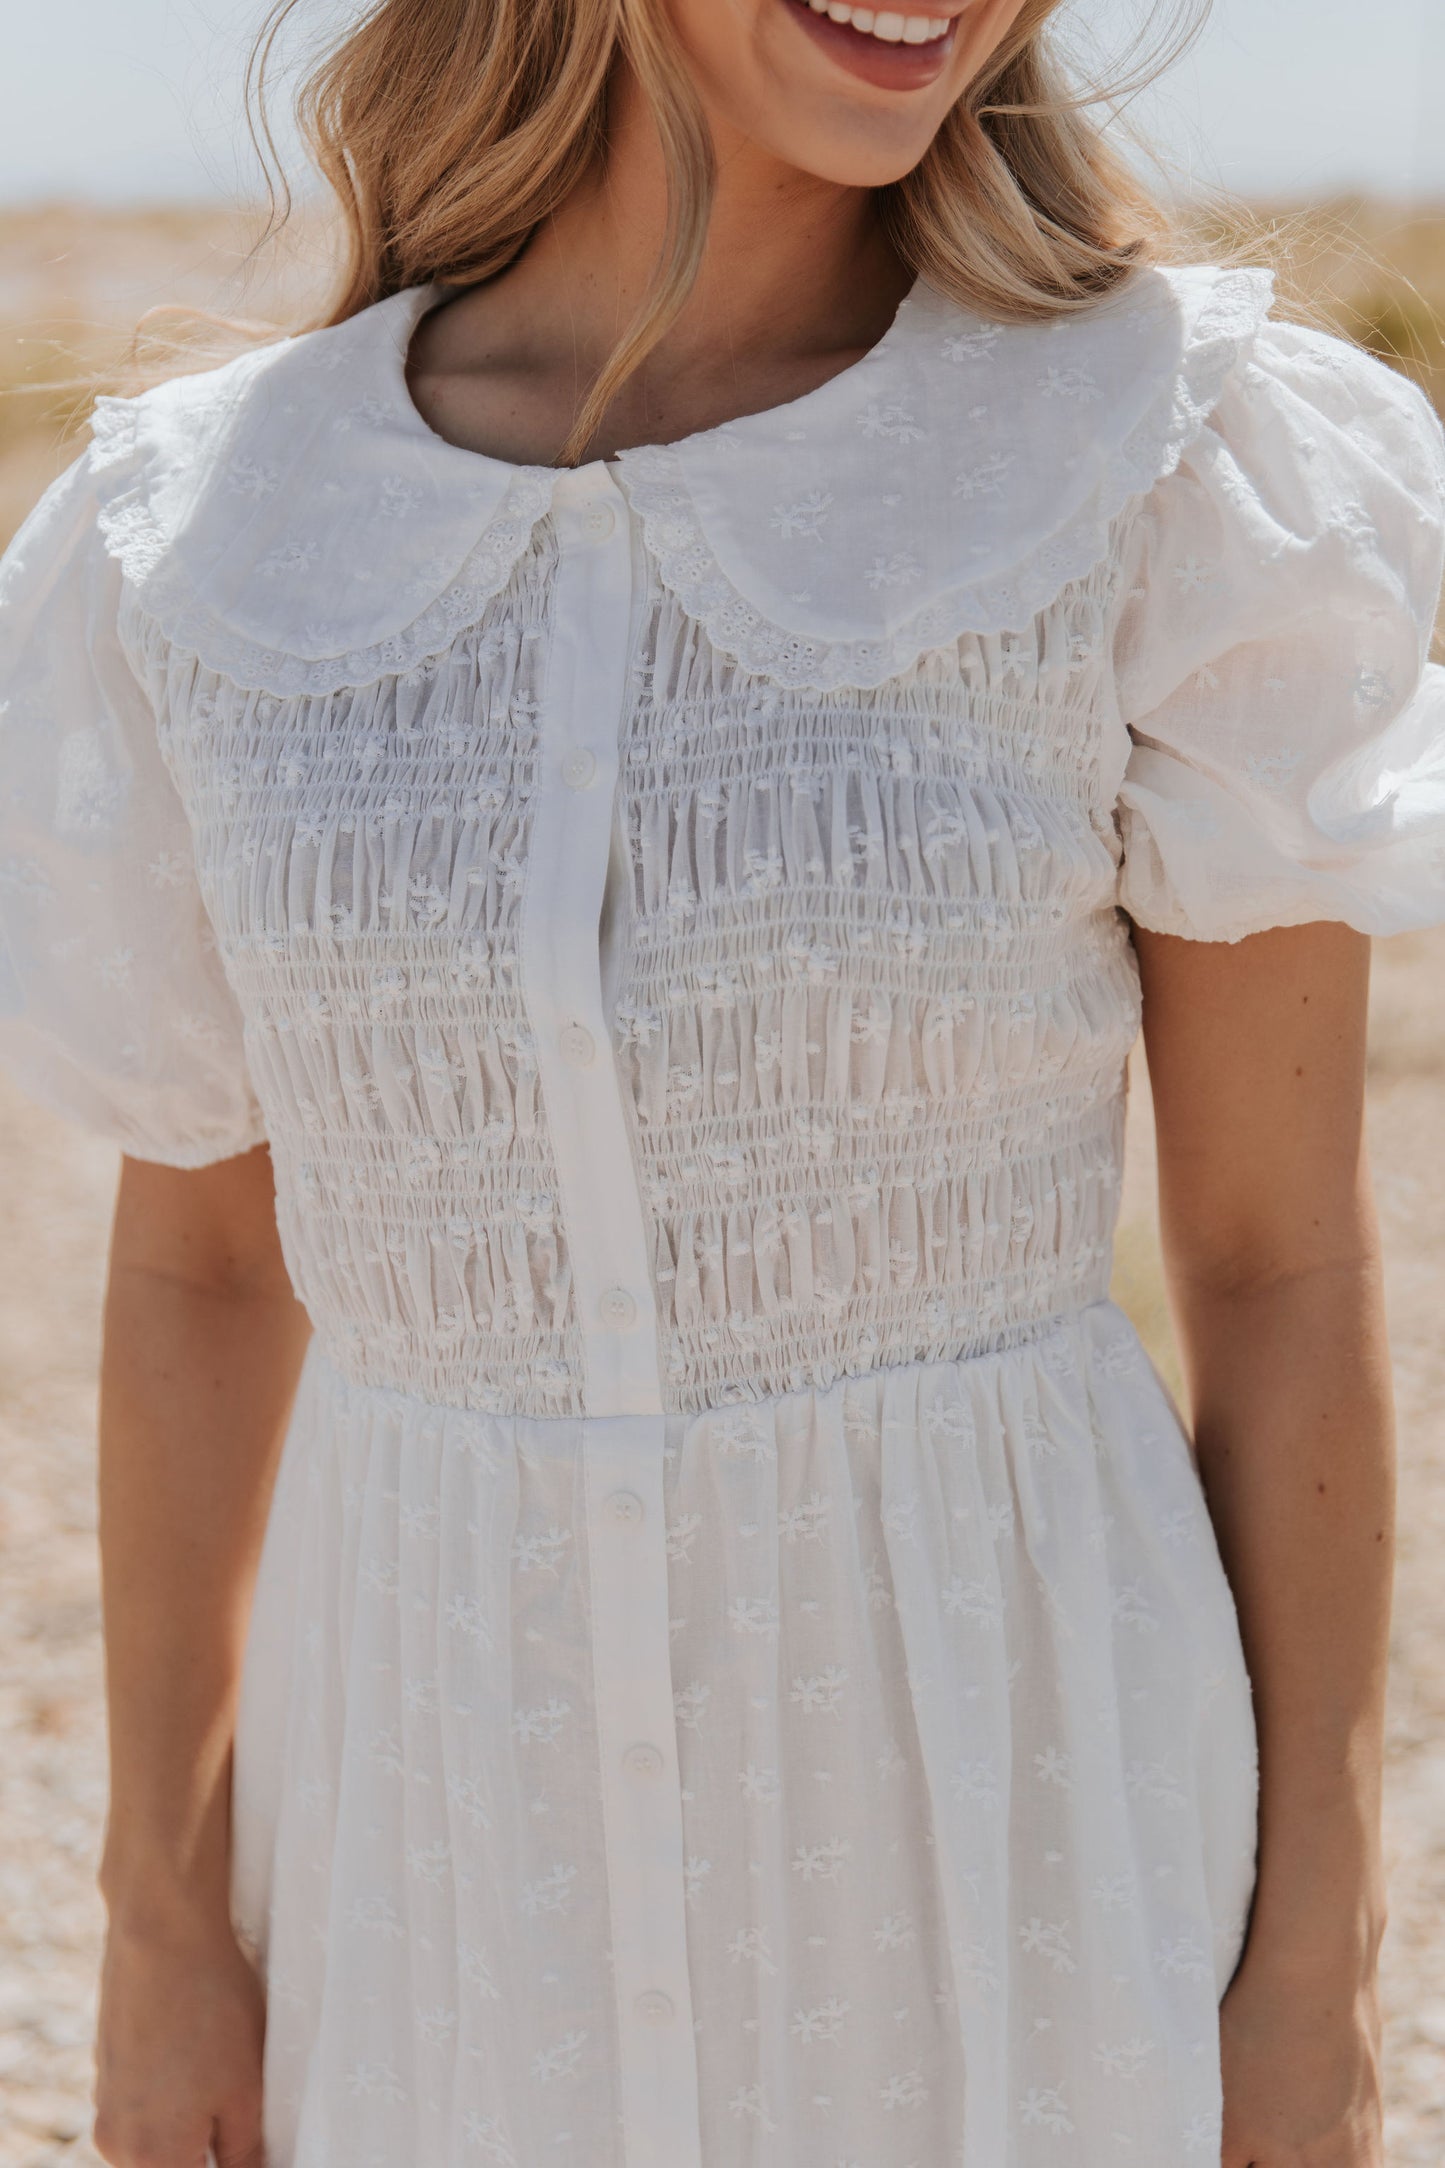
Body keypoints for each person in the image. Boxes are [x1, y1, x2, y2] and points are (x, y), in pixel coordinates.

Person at [1, 0, 1443, 2160]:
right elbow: (203, 1269)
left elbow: (1277, 1265)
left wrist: (1321, 1953)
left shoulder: (1155, 457)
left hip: (1016, 1827)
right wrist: (161, 1919)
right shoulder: (216, 531)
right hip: (435, 1854)